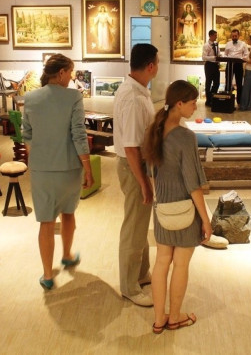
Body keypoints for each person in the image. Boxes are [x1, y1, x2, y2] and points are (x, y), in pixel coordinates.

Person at [141, 80, 212, 333]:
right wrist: (206, 220)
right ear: (179, 104)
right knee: (180, 265)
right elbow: (193, 184)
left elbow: (151, 173)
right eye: (193, 102)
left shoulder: (153, 131)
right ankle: (175, 317)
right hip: (185, 211)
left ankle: (159, 319)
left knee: (161, 263)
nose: (195, 107)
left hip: (162, 210)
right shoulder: (185, 137)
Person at [22, 54, 94, 290]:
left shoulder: (30, 98)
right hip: (69, 167)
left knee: (46, 221)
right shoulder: (74, 97)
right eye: (70, 72)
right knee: (68, 213)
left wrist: (37, 157)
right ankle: (67, 255)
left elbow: (27, 134)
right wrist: (88, 168)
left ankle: (47, 274)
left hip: (41, 169)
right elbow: (78, 134)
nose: (71, 77)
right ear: (61, 73)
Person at [114, 43, 159, 307]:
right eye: (158, 62)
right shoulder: (132, 97)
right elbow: (131, 146)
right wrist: (143, 182)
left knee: (141, 223)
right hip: (133, 166)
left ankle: (141, 274)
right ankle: (129, 286)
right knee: (133, 227)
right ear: (151, 66)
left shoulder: (138, 89)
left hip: (138, 165)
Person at [223, 29, 249, 107]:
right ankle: (227, 100)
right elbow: (225, 54)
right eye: (233, 36)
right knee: (228, 82)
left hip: (238, 65)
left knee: (239, 83)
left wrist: (242, 59)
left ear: (238, 36)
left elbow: (246, 54)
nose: (234, 37)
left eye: (235, 36)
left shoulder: (243, 44)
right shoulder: (228, 44)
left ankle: (239, 102)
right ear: (231, 36)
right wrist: (228, 58)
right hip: (229, 64)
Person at [239, 34, 251, 111]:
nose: (247, 40)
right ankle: (245, 105)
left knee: (249, 89)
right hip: (248, 71)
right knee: (246, 89)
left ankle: (249, 105)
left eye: (248, 39)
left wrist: (245, 60)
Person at [201, 29, 220, 107]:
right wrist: (214, 58)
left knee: (217, 83)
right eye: (215, 35)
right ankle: (208, 101)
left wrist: (220, 57)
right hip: (209, 65)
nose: (216, 37)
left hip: (215, 65)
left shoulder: (216, 44)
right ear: (211, 36)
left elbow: (218, 54)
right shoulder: (206, 45)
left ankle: (212, 98)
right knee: (208, 83)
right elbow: (204, 57)